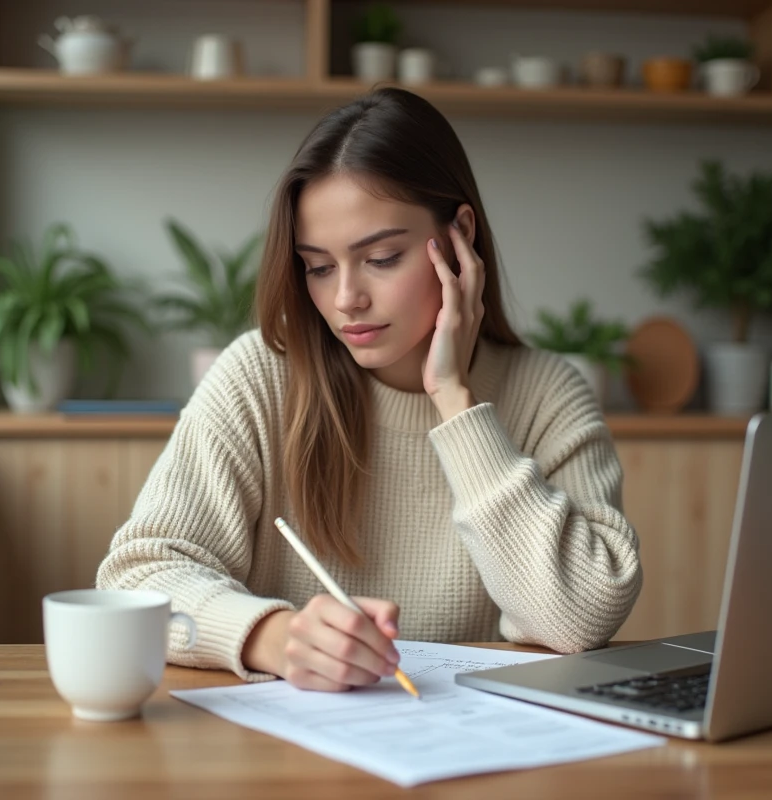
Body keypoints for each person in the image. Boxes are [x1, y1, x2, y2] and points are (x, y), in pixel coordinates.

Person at [96, 87, 641, 692]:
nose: (345, 298)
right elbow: (138, 577)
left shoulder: (546, 394)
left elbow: (580, 617)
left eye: (381, 257)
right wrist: (275, 638)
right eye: (318, 267)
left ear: (459, 237)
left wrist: (454, 400)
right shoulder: (259, 376)